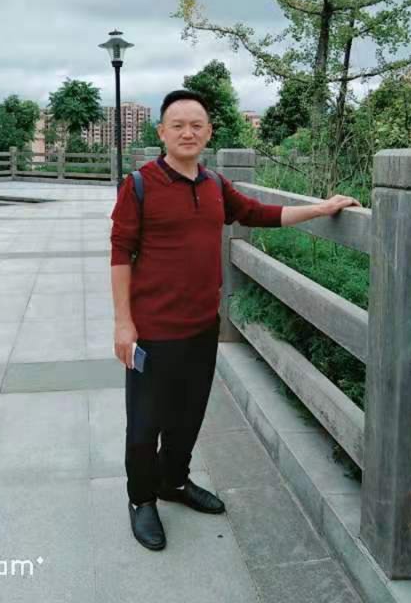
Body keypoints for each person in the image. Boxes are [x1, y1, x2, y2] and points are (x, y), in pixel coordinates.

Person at [109, 89, 362, 551]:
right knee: (145, 423)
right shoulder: (139, 185)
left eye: (197, 125)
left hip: (203, 326)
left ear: (209, 132)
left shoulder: (214, 184)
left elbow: (258, 213)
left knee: (188, 416)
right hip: (153, 331)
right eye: (178, 125)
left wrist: (321, 208)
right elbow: (121, 253)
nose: (188, 132)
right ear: (162, 132)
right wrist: (123, 323)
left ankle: (173, 481)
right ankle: (142, 499)